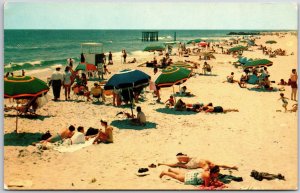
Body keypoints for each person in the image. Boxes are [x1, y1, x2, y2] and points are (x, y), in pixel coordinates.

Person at [158, 153, 238, 171]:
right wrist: (231, 167)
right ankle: (163, 163)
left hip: (192, 163)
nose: (213, 164)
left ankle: (163, 163)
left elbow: (207, 171)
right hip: (192, 161)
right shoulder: (208, 163)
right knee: (178, 160)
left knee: (177, 164)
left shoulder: (206, 166)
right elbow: (221, 165)